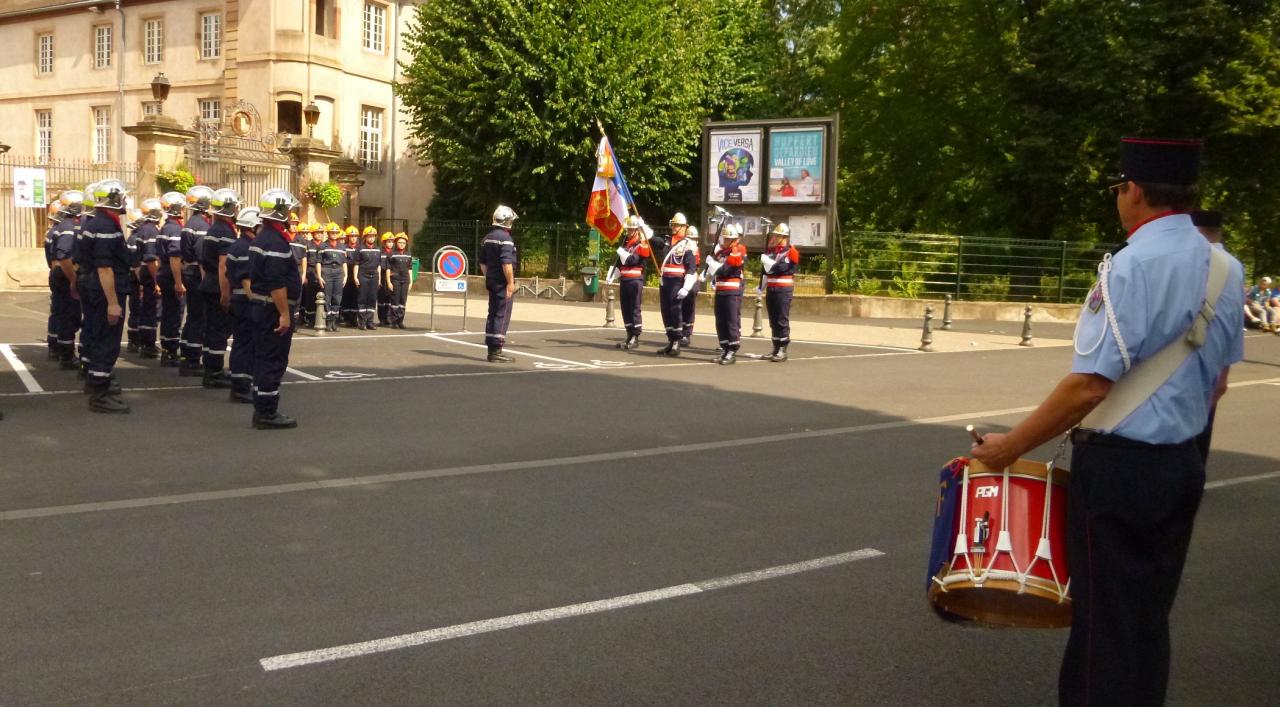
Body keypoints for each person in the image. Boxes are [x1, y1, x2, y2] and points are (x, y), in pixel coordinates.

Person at [970, 137, 1244, 706]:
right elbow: (1217, 382)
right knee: (1148, 619)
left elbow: (1090, 384)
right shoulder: (1226, 268)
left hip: (1119, 470)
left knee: (1102, 628)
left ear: (1135, 190)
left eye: (1118, 188)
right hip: (1182, 463)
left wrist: (1009, 446)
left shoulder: (1131, 265)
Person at [248, 189, 302, 429]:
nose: (291, 214)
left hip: (261, 307)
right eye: (288, 210)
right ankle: (267, 413)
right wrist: (284, 314)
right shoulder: (276, 241)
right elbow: (277, 283)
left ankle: (261, 407)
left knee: (262, 359)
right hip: (272, 310)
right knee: (273, 360)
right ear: (280, 212)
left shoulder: (261, 237)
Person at [80, 179, 135, 413]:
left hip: (94, 288)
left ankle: (96, 385)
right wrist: (113, 303)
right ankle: (99, 396)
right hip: (105, 291)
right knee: (107, 341)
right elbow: (105, 267)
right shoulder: (105, 226)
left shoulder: (96, 223)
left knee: (98, 336)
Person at [196, 188, 240, 389]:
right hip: (217, 286)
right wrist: (225, 293)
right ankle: (213, 373)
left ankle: (210, 370)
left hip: (209, 283)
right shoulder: (225, 231)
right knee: (219, 331)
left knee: (211, 330)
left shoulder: (214, 229)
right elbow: (224, 265)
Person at [179, 185, 215, 377]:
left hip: (188, 270)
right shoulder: (201, 226)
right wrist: (205, 281)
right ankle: (192, 359)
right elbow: (203, 257)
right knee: (198, 317)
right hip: (196, 273)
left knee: (192, 316)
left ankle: (186, 353)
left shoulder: (190, 223)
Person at [226, 206, 260, 404]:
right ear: (252, 227)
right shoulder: (246, 247)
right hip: (246, 302)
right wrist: (256, 302)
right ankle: (240, 387)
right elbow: (246, 280)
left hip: (238, 301)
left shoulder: (237, 245)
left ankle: (240, 384)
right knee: (245, 345)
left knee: (242, 343)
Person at [49, 190, 84, 370]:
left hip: (60, 274)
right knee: (69, 316)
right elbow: (64, 256)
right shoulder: (69, 227)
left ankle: (63, 351)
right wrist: (73, 279)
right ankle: (67, 356)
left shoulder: (63, 225)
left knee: (64, 314)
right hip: (65, 274)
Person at [655, 212, 698, 356]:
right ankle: (670, 339)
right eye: (673, 225)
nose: (675, 228)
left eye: (678, 225)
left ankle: (676, 342)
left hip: (677, 281)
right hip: (665, 280)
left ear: (684, 227)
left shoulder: (688, 244)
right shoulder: (667, 241)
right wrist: (644, 228)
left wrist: (686, 287)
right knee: (665, 311)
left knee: (675, 311)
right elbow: (655, 241)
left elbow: (691, 268)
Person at [481, 205, 518, 362]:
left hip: (491, 280)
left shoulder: (486, 238)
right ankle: (497, 351)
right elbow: (506, 263)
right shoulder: (506, 239)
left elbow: (483, 263)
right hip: (502, 282)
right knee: (502, 315)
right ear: (507, 221)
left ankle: (491, 348)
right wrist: (510, 283)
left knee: (492, 313)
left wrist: (489, 277)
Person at [154, 192, 187, 367]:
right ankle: (171, 350)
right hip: (170, 274)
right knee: (174, 313)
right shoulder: (174, 229)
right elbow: (175, 257)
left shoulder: (166, 227)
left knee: (168, 312)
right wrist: (179, 282)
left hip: (164, 273)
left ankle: (167, 349)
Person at [608, 215, 651, 350]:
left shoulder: (641, 244)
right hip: (625, 279)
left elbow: (633, 260)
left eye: (632, 230)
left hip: (634, 279)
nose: (629, 232)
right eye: (628, 230)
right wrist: (613, 274)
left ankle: (635, 336)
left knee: (634, 308)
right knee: (625, 308)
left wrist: (623, 254)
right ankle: (628, 333)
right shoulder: (626, 244)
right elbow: (622, 264)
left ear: (637, 230)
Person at [761, 222, 800, 362]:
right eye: (775, 236)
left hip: (783, 289)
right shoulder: (772, 251)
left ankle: (783, 348)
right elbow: (766, 272)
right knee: (773, 319)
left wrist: (769, 263)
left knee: (781, 319)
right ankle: (775, 347)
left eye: (778, 236)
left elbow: (782, 268)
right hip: (772, 288)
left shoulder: (791, 251)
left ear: (785, 237)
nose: (775, 238)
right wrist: (762, 285)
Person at [709, 223, 748, 364]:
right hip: (720, 290)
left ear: (734, 240)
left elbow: (726, 270)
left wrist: (714, 266)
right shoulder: (720, 253)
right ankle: (725, 347)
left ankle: (732, 349)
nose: (724, 241)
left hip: (732, 291)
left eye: (727, 239)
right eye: (723, 238)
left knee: (732, 320)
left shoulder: (736, 252)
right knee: (721, 321)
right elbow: (715, 271)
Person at [131, 199, 163, 359]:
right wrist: (157, 281)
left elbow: (137, 260)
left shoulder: (142, 230)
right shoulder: (151, 231)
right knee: (151, 309)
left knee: (146, 309)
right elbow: (151, 259)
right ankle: (148, 344)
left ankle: (145, 342)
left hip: (143, 272)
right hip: (150, 273)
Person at [319, 223, 347, 332]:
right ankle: (328, 321)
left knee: (337, 297)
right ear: (328, 233)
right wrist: (320, 276)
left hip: (339, 272)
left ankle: (334, 321)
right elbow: (318, 262)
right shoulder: (323, 246)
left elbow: (344, 262)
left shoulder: (342, 246)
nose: (334, 234)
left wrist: (346, 276)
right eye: (332, 232)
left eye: (336, 233)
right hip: (327, 271)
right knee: (327, 297)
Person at [354, 226, 383, 330]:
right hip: (363, 275)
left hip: (374, 276)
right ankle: (362, 322)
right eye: (369, 236)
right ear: (365, 237)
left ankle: (370, 322)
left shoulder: (378, 249)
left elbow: (379, 265)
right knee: (362, 298)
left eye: (373, 236)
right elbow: (356, 264)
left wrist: (379, 278)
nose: (371, 238)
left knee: (372, 298)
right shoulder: (360, 248)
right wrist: (355, 277)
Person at [385, 232, 413, 329]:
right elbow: (388, 269)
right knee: (395, 300)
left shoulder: (408, 254)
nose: (402, 244)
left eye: (404, 243)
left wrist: (411, 281)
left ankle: (400, 321)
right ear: (396, 243)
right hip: (395, 280)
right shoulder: (392, 254)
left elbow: (410, 269)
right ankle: (394, 322)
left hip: (405, 280)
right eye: (400, 242)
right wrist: (388, 281)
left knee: (403, 301)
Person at [299, 223, 323, 330]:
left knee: (322, 295)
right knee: (310, 296)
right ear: (313, 234)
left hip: (322, 272)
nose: (319, 235)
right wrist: (306, 276)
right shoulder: (308, 245)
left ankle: (321, 318)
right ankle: (310, 318)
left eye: (321, 233)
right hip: (311, 271)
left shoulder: (324, 245)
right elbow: (305, 260)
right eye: (317, 233)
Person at [341, 225, 361, 327]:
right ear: (348, 237)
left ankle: (354, 317)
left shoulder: (360, 248)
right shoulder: (343, 248)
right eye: (351, 236)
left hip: (356, 275)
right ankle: (346, 317)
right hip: (347, 275)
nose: (353, 238)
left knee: (356, 296)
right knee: (346, 296)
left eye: (355, 236)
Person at [377, 232, 394, 326]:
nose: (391, 243)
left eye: (392, 242)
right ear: (384, 242)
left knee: (390, 299)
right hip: (382, 278)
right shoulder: (380, 252)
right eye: (389, 241)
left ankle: (388, 318)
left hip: (392, 278)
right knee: (381, 300)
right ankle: (381, 319)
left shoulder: (394, 253)